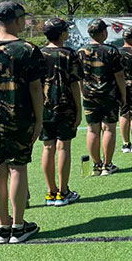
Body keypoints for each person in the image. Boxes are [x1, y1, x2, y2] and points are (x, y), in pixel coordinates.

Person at [0, 2, 44, 243]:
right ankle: (18, 226)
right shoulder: (27, 49)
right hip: (19, 117)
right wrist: (39, 119)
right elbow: (35, 88)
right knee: (18, 168)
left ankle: (3, 227)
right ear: (17, 19)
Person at [40, 18, 82, 208]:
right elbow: (74, 84)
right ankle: (63, 191)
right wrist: (79, 109)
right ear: (63, 34)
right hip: (65, 106)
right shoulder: (69, 54)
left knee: (48, 147)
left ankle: (51, 191)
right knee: (63, 147)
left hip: (44, 107)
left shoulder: (38, 54)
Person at [78, 19, 126, 177]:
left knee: (92, 130)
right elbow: (119, 75)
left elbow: (78, 77)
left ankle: (97, 164)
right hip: (109, 95)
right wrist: (123, 95)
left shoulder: (81, 51)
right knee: (109, 128)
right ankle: (107, 164)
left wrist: (83, 92)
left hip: (89, 95)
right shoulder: (111, 51)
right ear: (103, 33)